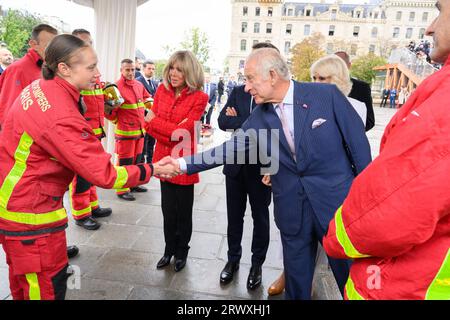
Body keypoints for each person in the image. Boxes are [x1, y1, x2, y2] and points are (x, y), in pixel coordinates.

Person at [161, 48, 372, 299]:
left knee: (353, 283)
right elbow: (228, 149)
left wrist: (366, 201)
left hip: (337, 208)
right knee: (296, 286)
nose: (246, 87)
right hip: (292, 211)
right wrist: (181, 164)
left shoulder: (325, 95)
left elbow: (359, 148)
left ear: (272, 75)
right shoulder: (260, 116)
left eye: (250, 78)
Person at [0, 34, 174, 300]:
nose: (97, 73)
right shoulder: (60, 114)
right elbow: (105, 174)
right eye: (91, 67)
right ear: (64, 68)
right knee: (46, 288)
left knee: (22, 285)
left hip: (16, 203)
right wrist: (154, 169)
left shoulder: (40, 87)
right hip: (32, 217)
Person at [323, 0, 450, 300]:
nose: (429, 27)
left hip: (403, 284)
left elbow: (393, 204)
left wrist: (337, 236)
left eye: (440, 10)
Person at [217, 42, 277, 291]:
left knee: (261, 218)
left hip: (263, 168)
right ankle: (232, 260)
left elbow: (276, 131)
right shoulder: (241, 91)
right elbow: (222, 120)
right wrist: (251, 122)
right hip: (235, 166)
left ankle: (256, 264)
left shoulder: (276, 94)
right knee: (234, 217)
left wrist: (240, 121)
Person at [145, 51, 208, 273]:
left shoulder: (200, 97)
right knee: (167, 210)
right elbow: (149, 125)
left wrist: (157, 124)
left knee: (183, 212)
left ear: (189, 71)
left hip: (183, 161)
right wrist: (165, 128)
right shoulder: (161, 90)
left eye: (179, 69)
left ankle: (182, 251)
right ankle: (168, 249)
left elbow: (181, 133)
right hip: (162, 159)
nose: (173, 73)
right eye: (171, 67)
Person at [68, 29, 112, 231]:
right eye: (83, 42)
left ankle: (92, 206)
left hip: (95, 130)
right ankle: (81, 213)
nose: (88, 46)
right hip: (80, 133)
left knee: (92, 172)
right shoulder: (69, 71)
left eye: (90, 42)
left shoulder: (92, 69)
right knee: (81, 176)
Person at [105, 59, 150, 201]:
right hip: (125, 133)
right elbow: (108, 111)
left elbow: (147, 99)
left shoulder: (138, 84)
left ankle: (134, 183)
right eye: (127, 70)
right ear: (121, 70)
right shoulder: (116, 87)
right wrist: (118, 121)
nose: (130, 73)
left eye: (132, 70)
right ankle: (122, 189)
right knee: (125, 162)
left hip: (140, 132)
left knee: (137, 160)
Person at [0, 24, 58, 127]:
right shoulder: (17, 70)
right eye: (49, 46)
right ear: (33, 44)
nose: (54, 51)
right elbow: (8, 112)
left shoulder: (50, 67)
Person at [311, 55, 367, 126]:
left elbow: (356, 136)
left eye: (322, 78)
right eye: (314, 78)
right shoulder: (306, 104)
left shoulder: (356, 107)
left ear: (336, 79)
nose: (316, 82)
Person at [334, 51, 375, 131]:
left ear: (349, 65)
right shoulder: (321, 86)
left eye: (341, 63)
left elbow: (369, 121)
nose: (337, 67)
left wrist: (349, 133)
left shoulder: (362, 88)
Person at [136, 60, 158, 163]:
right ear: (143, 69)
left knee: (152, 142)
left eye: (153, 69)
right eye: (149, 68)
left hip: (153, 118)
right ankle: (142, 164)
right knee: (143, 142)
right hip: (143, 117)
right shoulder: (137, 81)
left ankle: (150, 163)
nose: (151, 71)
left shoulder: (155, 83)